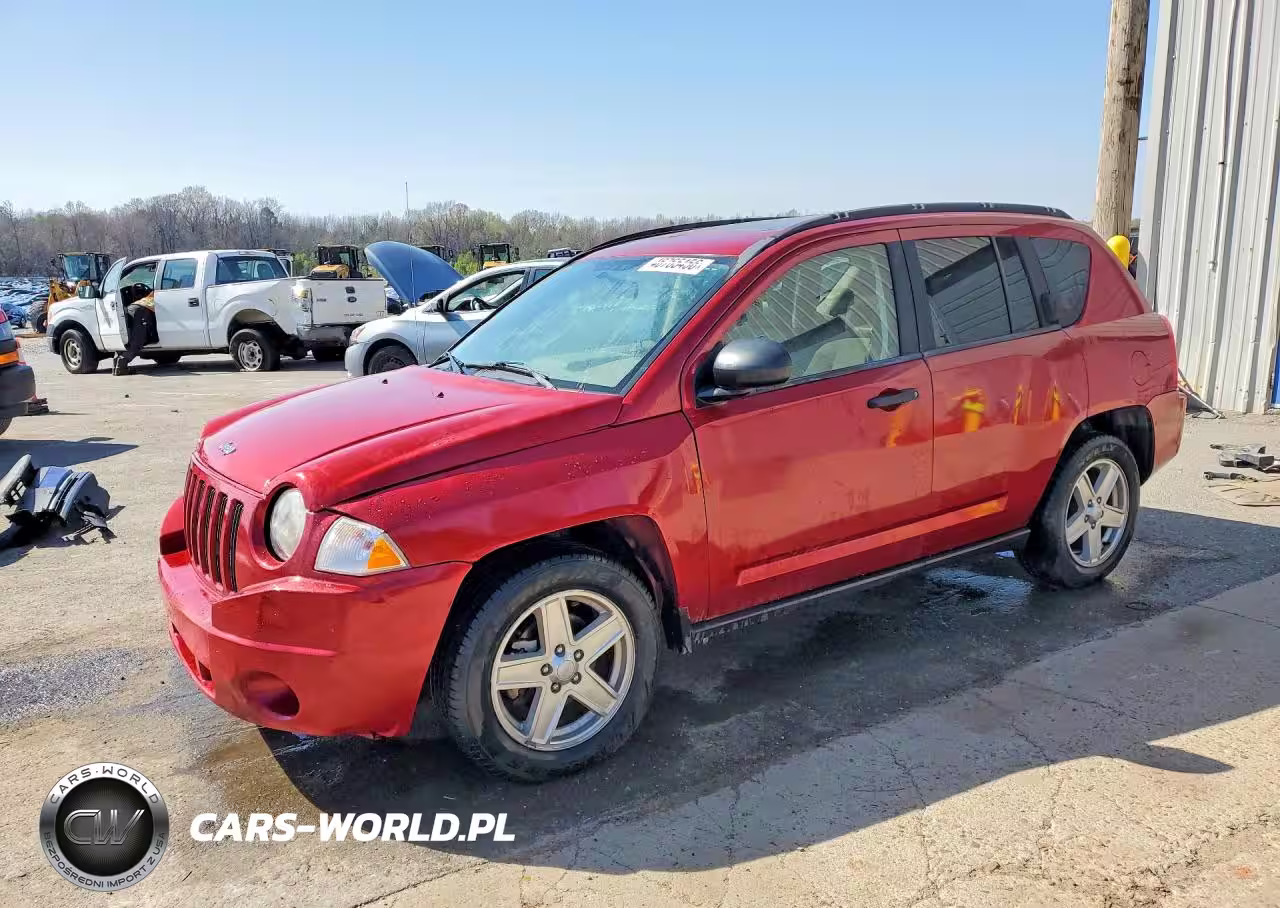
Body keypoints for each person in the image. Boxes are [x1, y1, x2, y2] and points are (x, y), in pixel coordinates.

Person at [112, 291, 157, 376]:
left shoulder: (151, 294)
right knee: (138, 340)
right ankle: (122, 364)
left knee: (127, 338)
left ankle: (116, 366)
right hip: (141, 310)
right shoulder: (159, 294)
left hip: (132, 307)